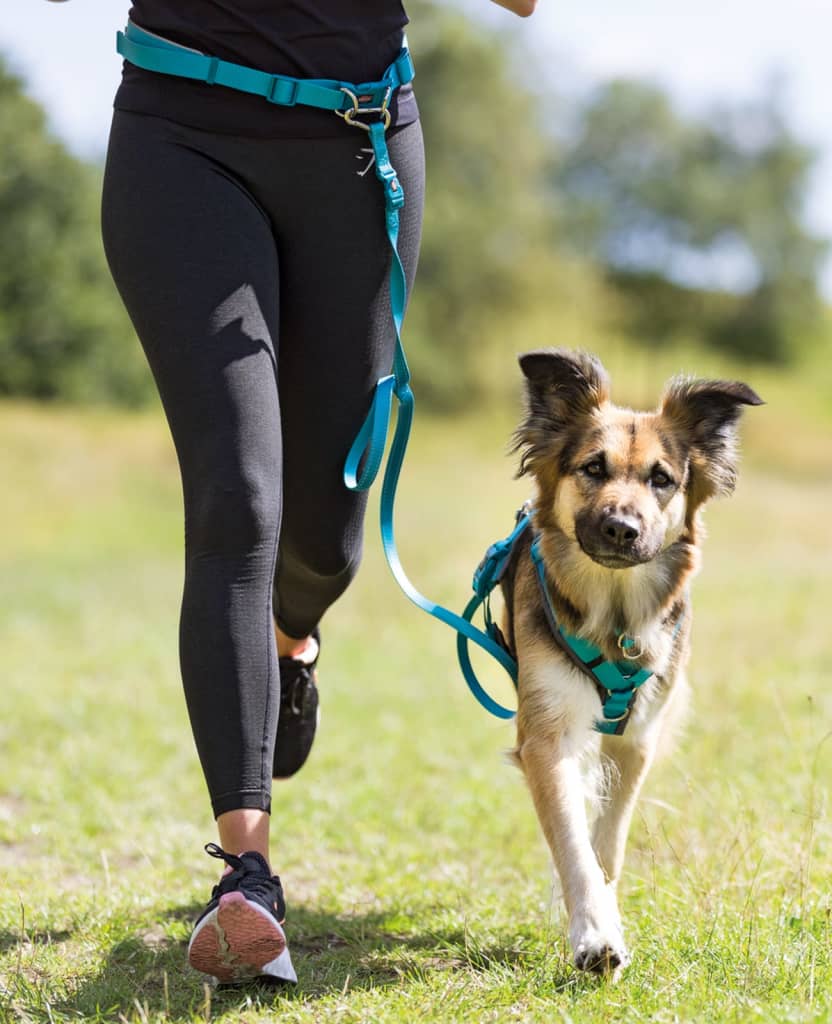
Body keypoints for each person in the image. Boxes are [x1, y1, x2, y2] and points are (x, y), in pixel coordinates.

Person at [99, 0, 537, 985]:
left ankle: (293, 637)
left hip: (357, 141)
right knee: (236, 497)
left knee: (323, 542)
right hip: (181, 136)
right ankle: (246, 873)